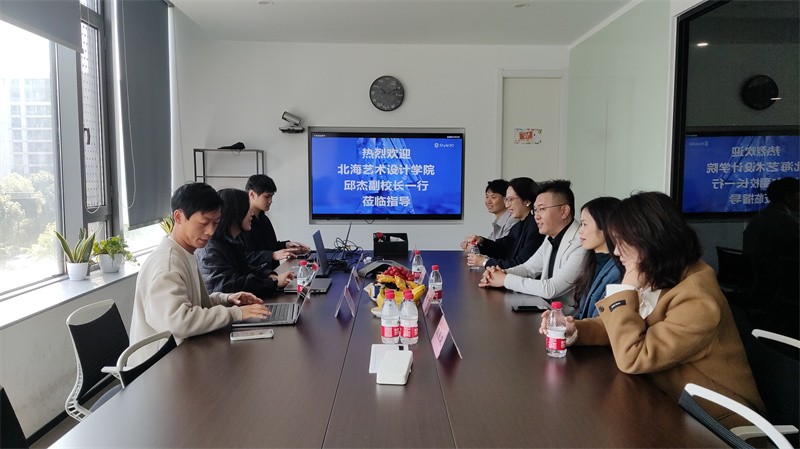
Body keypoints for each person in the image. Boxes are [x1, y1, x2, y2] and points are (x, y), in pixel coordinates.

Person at [539, 191, 765, 428]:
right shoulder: (663, 273)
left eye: (623, 243)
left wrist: (624, 290)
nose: (616, 252)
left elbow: (634, 357)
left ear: (651, 241)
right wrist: (574, 330)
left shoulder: (697, 299)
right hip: (666, 401)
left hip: (718, 424)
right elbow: (618, 327)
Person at [129, 183, 270, 366]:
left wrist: (227, 299)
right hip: (156, 369)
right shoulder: (168, 264)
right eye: (204, 223)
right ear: (178, 217)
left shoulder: (184, 253)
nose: (210, 231)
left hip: (178, 357)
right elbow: (179, 322)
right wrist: (235, 313)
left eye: (216, 223)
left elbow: (193, 304)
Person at [479, 179, 586, 314]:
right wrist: (499, 273)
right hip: (544, 311)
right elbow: (528, 268)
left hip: (567, 319)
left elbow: (551, 288)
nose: (536, 216)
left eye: (542, 209)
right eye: (535, 210)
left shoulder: (580, 242)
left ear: (564, 211)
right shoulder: (550, 236)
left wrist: (505, 279)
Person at [196, 188, 294, 298]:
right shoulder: (211, 248)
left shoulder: (232, 242)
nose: (251, 214)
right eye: (247, 210)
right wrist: (272, 282)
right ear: (234, 214)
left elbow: (246, 270)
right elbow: (226, 286)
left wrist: (270, 275)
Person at [742, 177, 799, 328]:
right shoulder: (785, 221)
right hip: (776, 285)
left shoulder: (759, 217)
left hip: (758, 283)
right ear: (788, 198)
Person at [463, 177, 544, 269]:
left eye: (511, 200)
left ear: (527, 201)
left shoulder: (536, 226)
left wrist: (485, 262)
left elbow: (521, 264)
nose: (507, 205)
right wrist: (481, 240)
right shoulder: (519, 225)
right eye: (506, 200)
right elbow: (502, 249)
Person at [243, 174, 310, 269]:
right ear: (252, 194)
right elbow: (244, 257)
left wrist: (287, 246)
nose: (270, 201)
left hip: (274, 274)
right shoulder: (242, 223)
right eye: (267, 196)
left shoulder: (264, 219)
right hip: (257, 277)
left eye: (271, 196)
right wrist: (272, 255)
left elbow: (270, 247)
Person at [573, 197, 623, 319]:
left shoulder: (618, 270)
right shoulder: (593, 261)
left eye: (584, 224)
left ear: (606, 226)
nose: (580, 231)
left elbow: (600, 320)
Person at [460, 179, 518, 250]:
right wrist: (473, 244)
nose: (488, 201)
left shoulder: (512, 221)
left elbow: (503, 250)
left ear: (506, 199)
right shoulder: (498, 221)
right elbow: (491, 244)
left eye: (493, 197)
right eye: (487, 197)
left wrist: (474, 247)